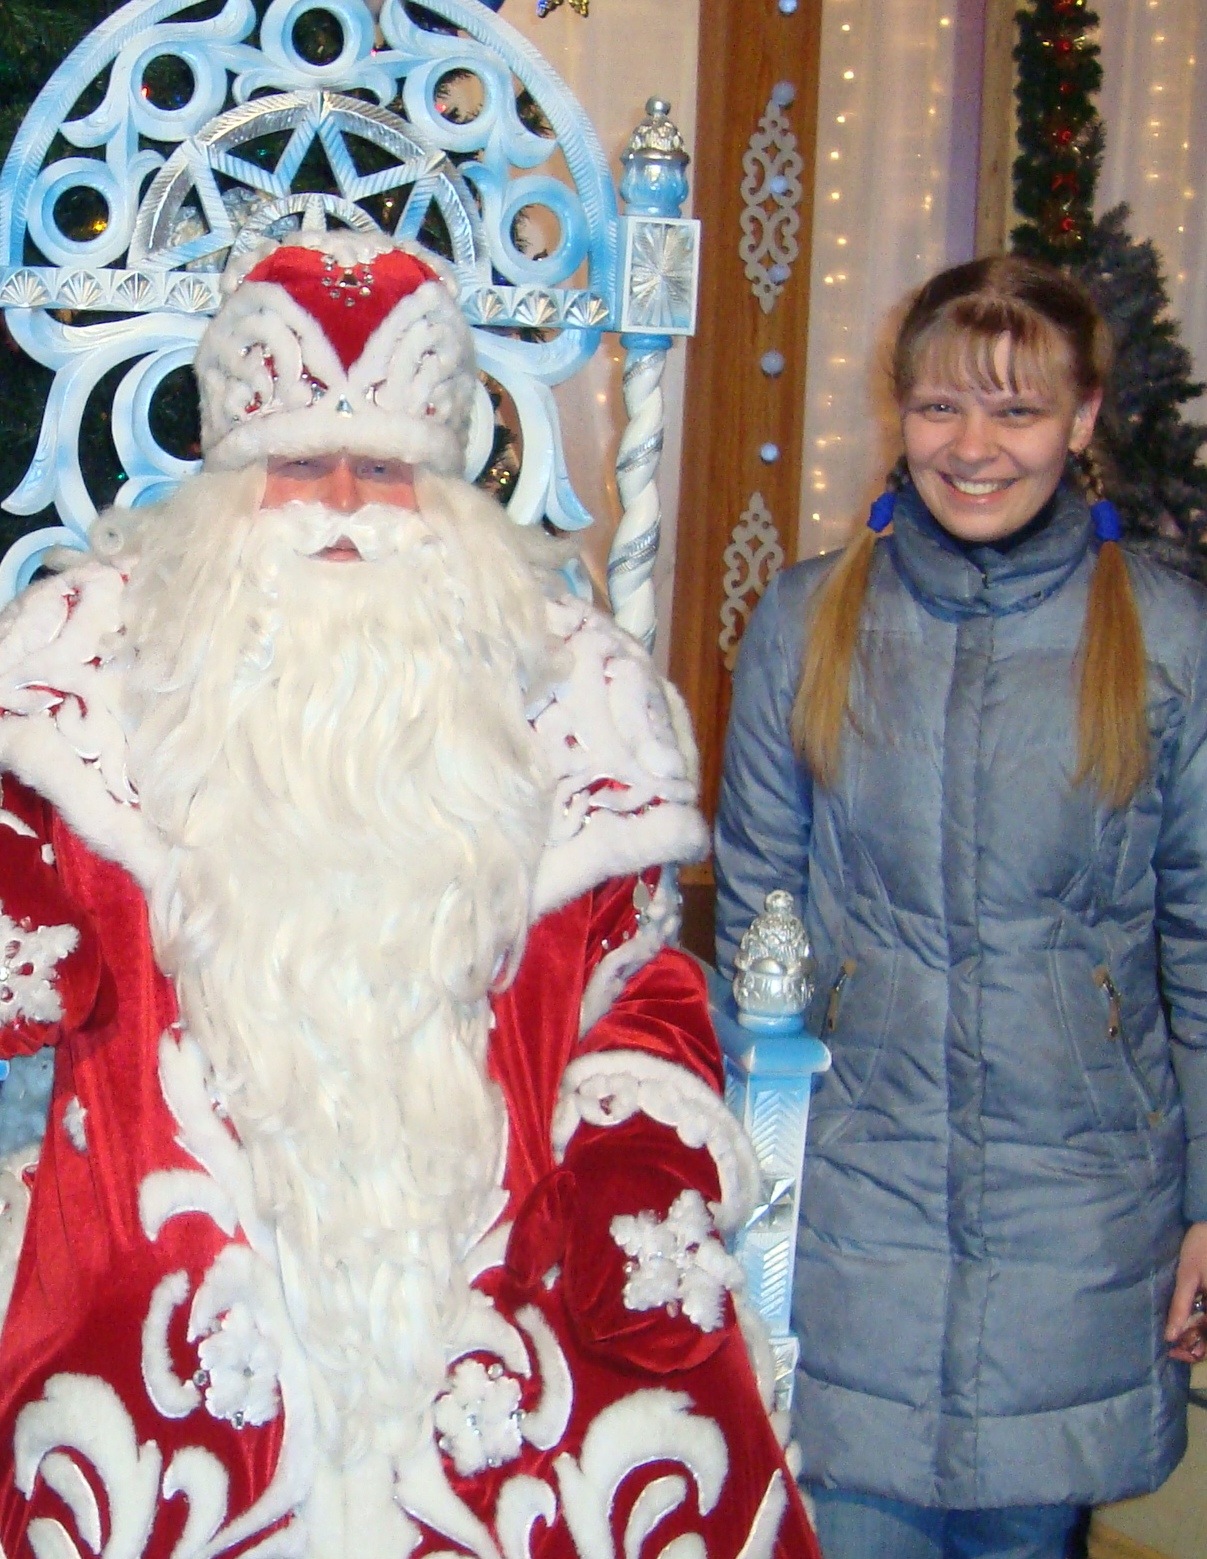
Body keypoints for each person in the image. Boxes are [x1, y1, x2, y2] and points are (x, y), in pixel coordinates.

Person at [0, 230, 819, 1559]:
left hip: (488, 1302)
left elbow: (639, 982)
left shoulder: (568, 691)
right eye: (296, 464)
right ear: (228, 478)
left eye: (383, 467)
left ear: (445, 489)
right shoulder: (85, 677)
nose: (340, 501)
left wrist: (640, 1154)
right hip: (172, 1323)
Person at [714, 254, 1207, 1559]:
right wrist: (742, 1177)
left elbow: (1203, 943)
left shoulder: (1168, 641)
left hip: (1081, 1212)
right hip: (851, 1204)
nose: (973, 449)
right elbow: (756, 930)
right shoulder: (806, 622)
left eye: (1017, 410)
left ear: (1083, 421)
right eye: (941, 407)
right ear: (901, 410)